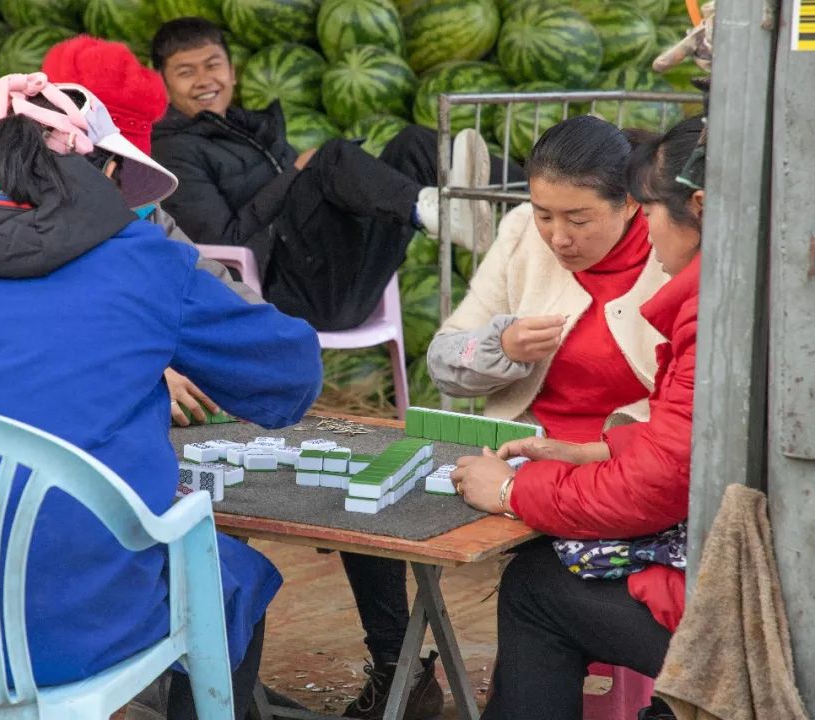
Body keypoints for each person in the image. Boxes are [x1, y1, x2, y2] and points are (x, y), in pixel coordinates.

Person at [0, 72, 322, 719]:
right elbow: (290, 377)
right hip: (69, 624)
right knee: (228, 579)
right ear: (100, 168)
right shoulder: (142, 259)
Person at [453, 116, 707, 720]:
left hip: (738, 607)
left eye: (647, 214)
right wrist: (592, 451)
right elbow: (680, 444)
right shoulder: (731, 293)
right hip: (605, 481)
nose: (557, 237)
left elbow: (656, 488)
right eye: (544, 216)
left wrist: (514, 490)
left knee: (537, 588)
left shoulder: (705, 312)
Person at [149, 16, 521, 333]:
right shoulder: (173, 150)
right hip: (290, 295)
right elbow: (224, 241)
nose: (203, 79)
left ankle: (535, 192)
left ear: (231, 72)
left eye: (212, 65)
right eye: (185, 72)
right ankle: (437, 213)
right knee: (330, 157)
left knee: (414, 144)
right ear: (162, 82)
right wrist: (296, 172)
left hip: (341, 277)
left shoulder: (250, 128)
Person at [41, 34, 261, 428]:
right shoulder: (5, 222)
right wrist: (151, 370)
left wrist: (267, 336)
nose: (127, 188)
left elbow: (196, 272)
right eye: (118, 169)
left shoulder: (139, 206)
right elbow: (49, 327)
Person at [428, 115, 670, 442]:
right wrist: (502, 348)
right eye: (543, 215)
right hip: (520, 449)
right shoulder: (521, 232)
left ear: (628, 203)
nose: (558, 238)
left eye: (578, 220)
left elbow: (688, 410)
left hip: (631, 461)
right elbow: (443, 361)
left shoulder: (673, 252)